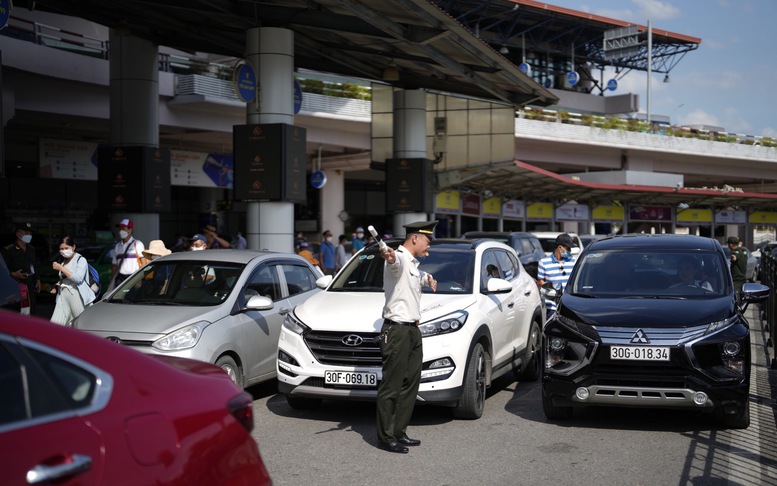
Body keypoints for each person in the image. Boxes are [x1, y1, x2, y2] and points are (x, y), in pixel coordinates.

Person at [376, 220, 438, 454]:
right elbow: (394, 262)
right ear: (415, 239)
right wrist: (389, 256)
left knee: (411, 383)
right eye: (427, 241)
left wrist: (427, 278)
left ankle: (399, 431)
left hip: (412, 329)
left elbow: (415, 275)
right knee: (392, 385)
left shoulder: (412, 264)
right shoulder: (400, 259)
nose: (428, 246)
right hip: (397, 330)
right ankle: (386, 436)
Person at [50, 236, 96, 325]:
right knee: (55, 324)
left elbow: (78, 279)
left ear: (73, 247)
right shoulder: (63, 261)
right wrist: (59, 284)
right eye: (61, 249)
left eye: (66, 248)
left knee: (80, 323)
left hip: (76, 295)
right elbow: (66, 278)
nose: (64, 251)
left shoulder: (81, 260)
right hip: (63, 295)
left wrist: (61, 268)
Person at [2, 222, 41, 315]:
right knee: (16, 313)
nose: (29, 235)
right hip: (15, 286)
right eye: (26, 233)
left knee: (31, 313)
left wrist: (38, 279)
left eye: (30, 233)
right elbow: (3, 269)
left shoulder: (31, 249)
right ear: (18, 234)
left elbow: (34, 266)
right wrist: (13, 274)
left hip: (30, 286)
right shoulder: (8, 250)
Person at [537, 233, 577, 317]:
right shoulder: (544, 262)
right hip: (551, 305)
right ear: (560, 247)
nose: (570, 251)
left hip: (569, 304)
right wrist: (550, 289)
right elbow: (540, 281)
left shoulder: (574, 261)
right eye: (568, 248)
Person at [110, 219, 146, 288]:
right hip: (120, 280)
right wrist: (113, 281)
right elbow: (114, 266)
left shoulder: (137, 244)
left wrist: (139, 279)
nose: (121, 231)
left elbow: (144, 263)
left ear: (130, 230)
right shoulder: (117, 246)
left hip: (133, 278)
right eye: (120, 229)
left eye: (123, 229)